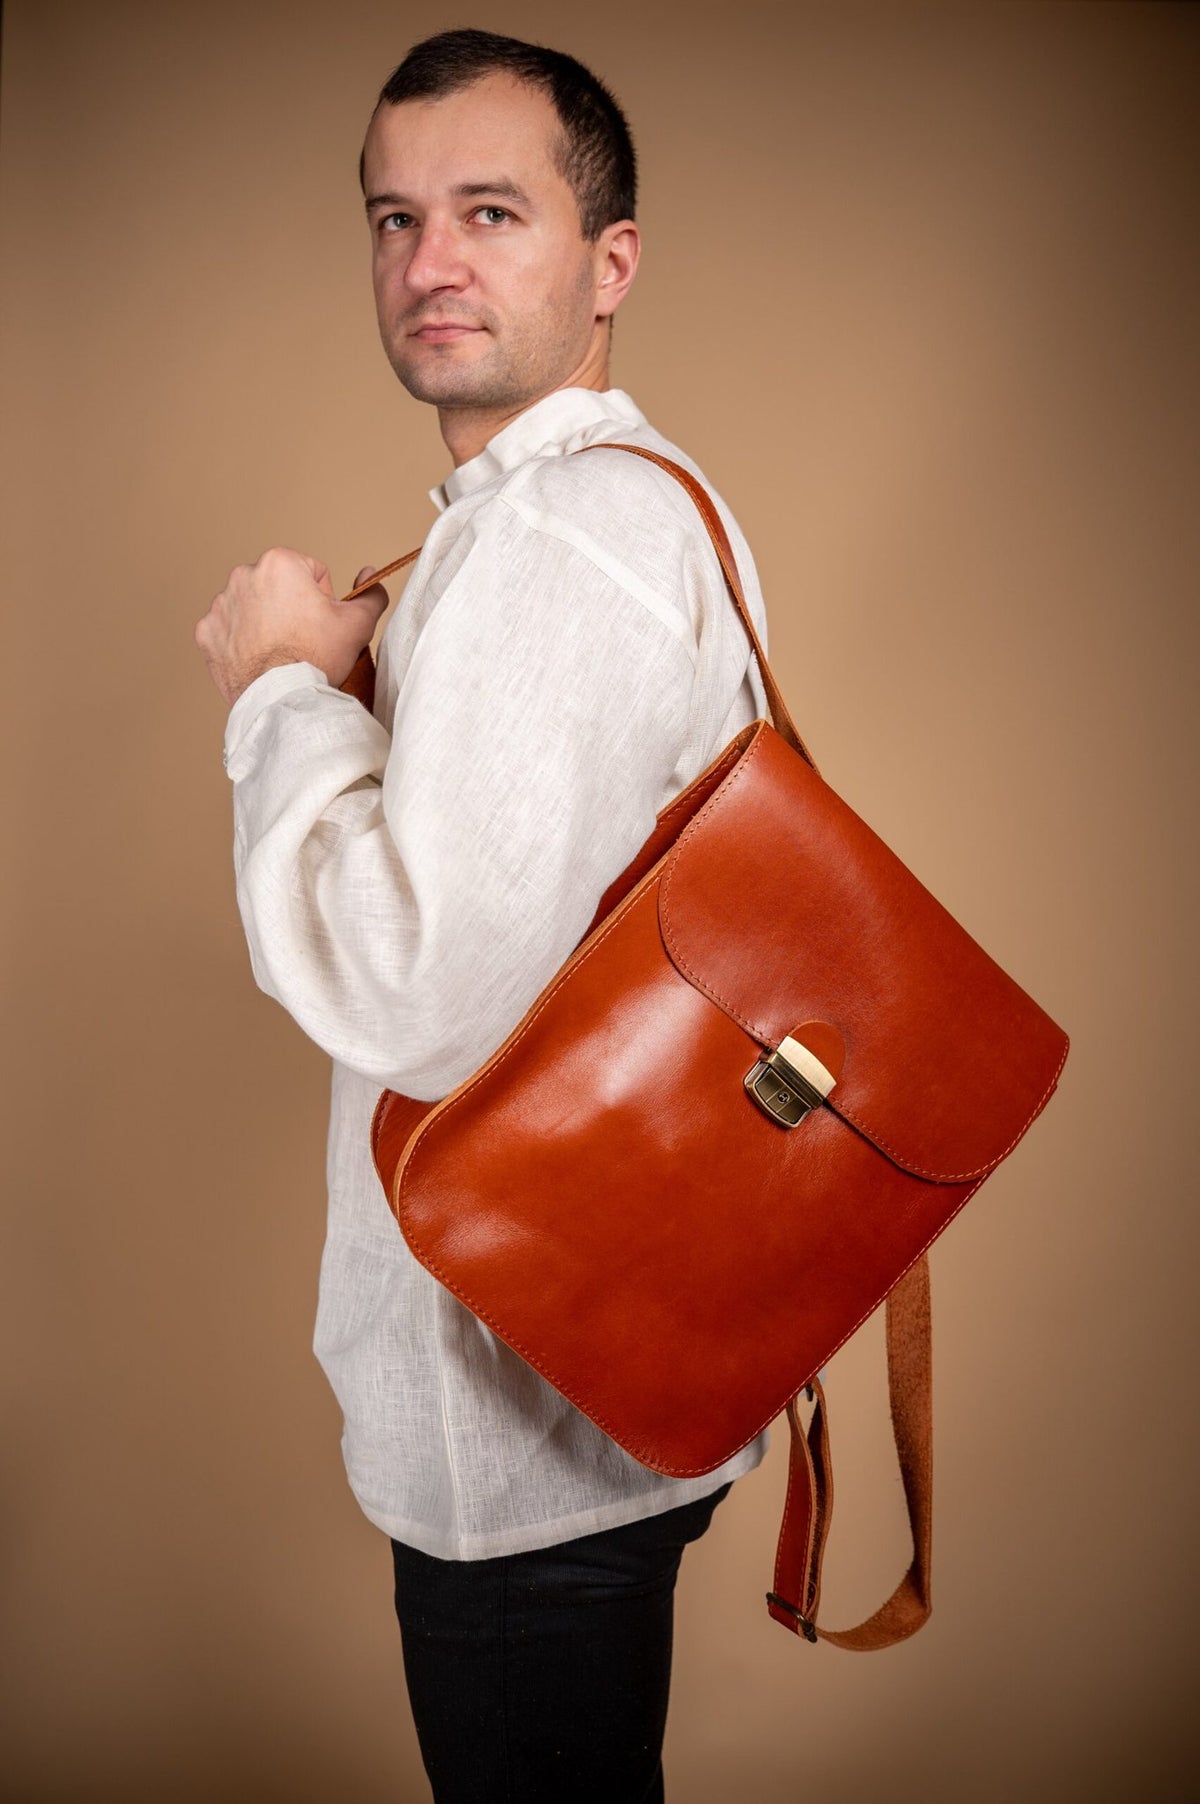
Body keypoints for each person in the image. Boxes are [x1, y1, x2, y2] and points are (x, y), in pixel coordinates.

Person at [196, 28, 773, 1802]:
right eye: (395, 216)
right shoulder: (626, 509)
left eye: (490, 212)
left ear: (609, 264)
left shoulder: (555, 540)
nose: (428, 261)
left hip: (520, 1424)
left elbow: (418, 987)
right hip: (613, 1365)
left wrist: (282, 693)